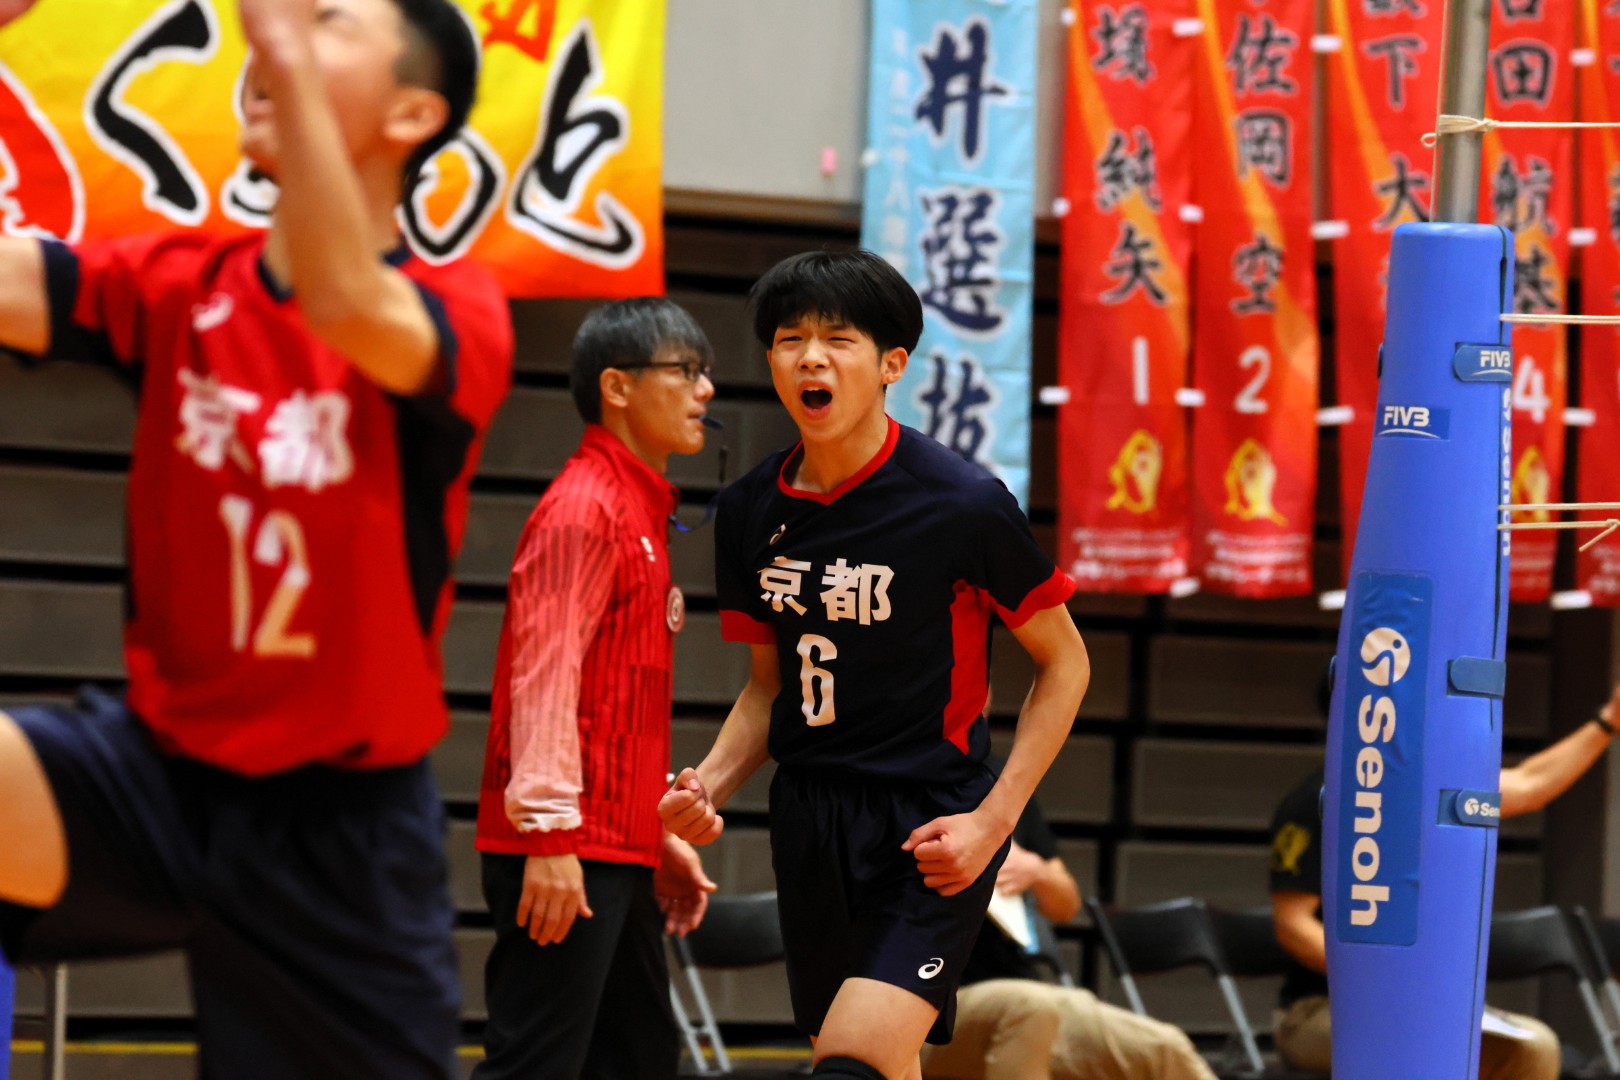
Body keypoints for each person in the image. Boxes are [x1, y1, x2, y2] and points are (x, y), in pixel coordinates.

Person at [0, 1, 512, 1077]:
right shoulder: (180, 283)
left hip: (342, 835)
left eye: (328, 22)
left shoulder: (455, 310)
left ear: (412, 114)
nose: (277, 35)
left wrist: (277, 40)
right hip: (158, 779)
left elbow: (342, 299)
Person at [659, 249, 1092, 1080]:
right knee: (880, 1065)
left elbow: (1066, 665)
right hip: (809, 818)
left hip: (932, 824)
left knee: (852, 1063)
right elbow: (768, 690)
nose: (811, 359)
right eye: (791, 340)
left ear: (892, 363)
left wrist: (991, 824)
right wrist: (707, 784)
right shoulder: (749, 510)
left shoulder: (961, 503)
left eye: (838, 339)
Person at [471, 298, 720, 1079]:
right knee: (534, 1069)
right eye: (686, 371)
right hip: (564, 847)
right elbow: (543, 684)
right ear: (617, 386)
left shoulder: (639, 507)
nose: (706, 390)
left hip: (613, 844)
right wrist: (549, 838)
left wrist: (653, 834)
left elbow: (612, 703)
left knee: (638, 1060)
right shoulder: (585, 509)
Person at [1268, 683, 1620, 1079]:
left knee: (1533, 1046)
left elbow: (1529, 784)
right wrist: (1393, 980)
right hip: (1322, 1007)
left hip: (1422, 1003)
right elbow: (1292, 925)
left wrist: (1608, 720)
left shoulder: (1432, 787)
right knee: (1416, 1045)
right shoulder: (1314, 801)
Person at [919, 796, 1217, 1080]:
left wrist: (1037, 871)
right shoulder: (905, 790)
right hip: (932, 1003)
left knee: (1165, 1046)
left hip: (1030, 994)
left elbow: (1067, 907)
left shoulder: (1004, 784)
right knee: (1029, 1008)